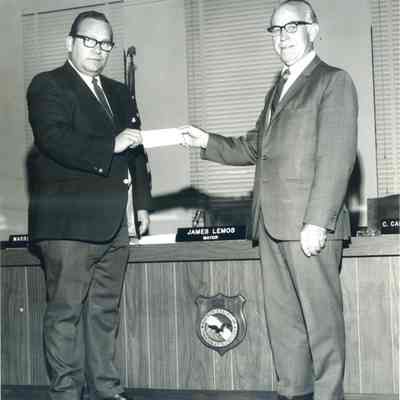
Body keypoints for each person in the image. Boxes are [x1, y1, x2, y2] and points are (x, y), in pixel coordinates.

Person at [181, 1, 358, 399]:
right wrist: (205, 140)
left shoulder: (333, 81)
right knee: (284, 324)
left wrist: (317, 221)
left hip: (309, 226)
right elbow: (255, 147)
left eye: (291, 27)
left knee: (322, 324)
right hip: (271, 224)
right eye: (276, 30)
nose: (282, 37)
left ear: (314, 30)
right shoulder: (278, 88)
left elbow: (337, 156)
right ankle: (293, 393)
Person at [27, 10, 152, 400]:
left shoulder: (119, 92)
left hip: (115, 223)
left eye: (106, 43)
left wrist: (142, 204)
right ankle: (66, 393)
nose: (98, 49)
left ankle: (106, 391)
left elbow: (137, 150)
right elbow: (53, 139)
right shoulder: (48, 85)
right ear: (70, 43)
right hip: (67, 224)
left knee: (105, 312)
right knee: (65, 314)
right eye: (89, 41)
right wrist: (110, 144)